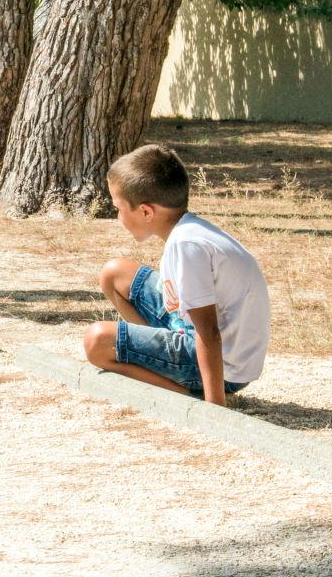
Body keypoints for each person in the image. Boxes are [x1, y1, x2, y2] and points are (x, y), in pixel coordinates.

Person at [83, 144, 270, 407]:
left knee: (97, 340)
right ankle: (162, 362)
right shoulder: (189, 231)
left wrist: (215, 406)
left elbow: (209, 331)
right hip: (199, 337)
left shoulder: (187, 246)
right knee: (114, 273)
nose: (118, 217)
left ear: (146, 212)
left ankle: (185, 393)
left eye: (119, 208)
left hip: (225, 367)